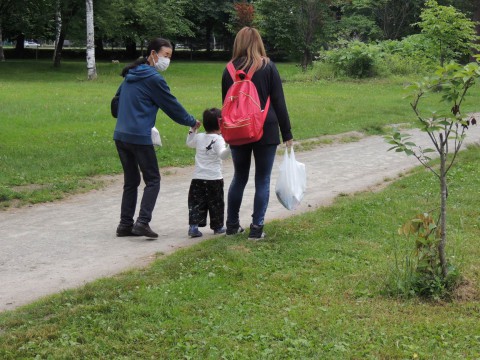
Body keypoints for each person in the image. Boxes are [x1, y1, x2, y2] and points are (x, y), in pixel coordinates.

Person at [114, 38, 200, 239]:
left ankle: (125, 224)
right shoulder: (153, 78)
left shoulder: (130, 74)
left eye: (170, 56)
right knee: (153, 180)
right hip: (139, 136)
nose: (167, 60)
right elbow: (171, 105)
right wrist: (190, 121)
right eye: (166, 55)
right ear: (153, 53)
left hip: (121, 134)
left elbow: (116, 102)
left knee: (132, 180)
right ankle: (142, 222)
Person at [221, 27, 293, 240]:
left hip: (238, 129)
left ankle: (232, 225)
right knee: (262, 179)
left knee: (239, 177)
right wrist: (287, 132)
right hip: (266, 128)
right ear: (258, 42)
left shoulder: (228, 70)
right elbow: (279, 101)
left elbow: (226, 104)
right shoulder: (268, 66)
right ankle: (256, 228)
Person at [186, 108, 231, 238]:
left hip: (198, 178)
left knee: (195, 203)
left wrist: (193, 128)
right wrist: (231, 146)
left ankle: (193, 227)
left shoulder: (199, 137)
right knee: (216, 203)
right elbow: (222, 156)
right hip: (214, 179)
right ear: (220, 124)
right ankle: (217, 227)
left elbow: (189, 143)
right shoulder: (219, 139)